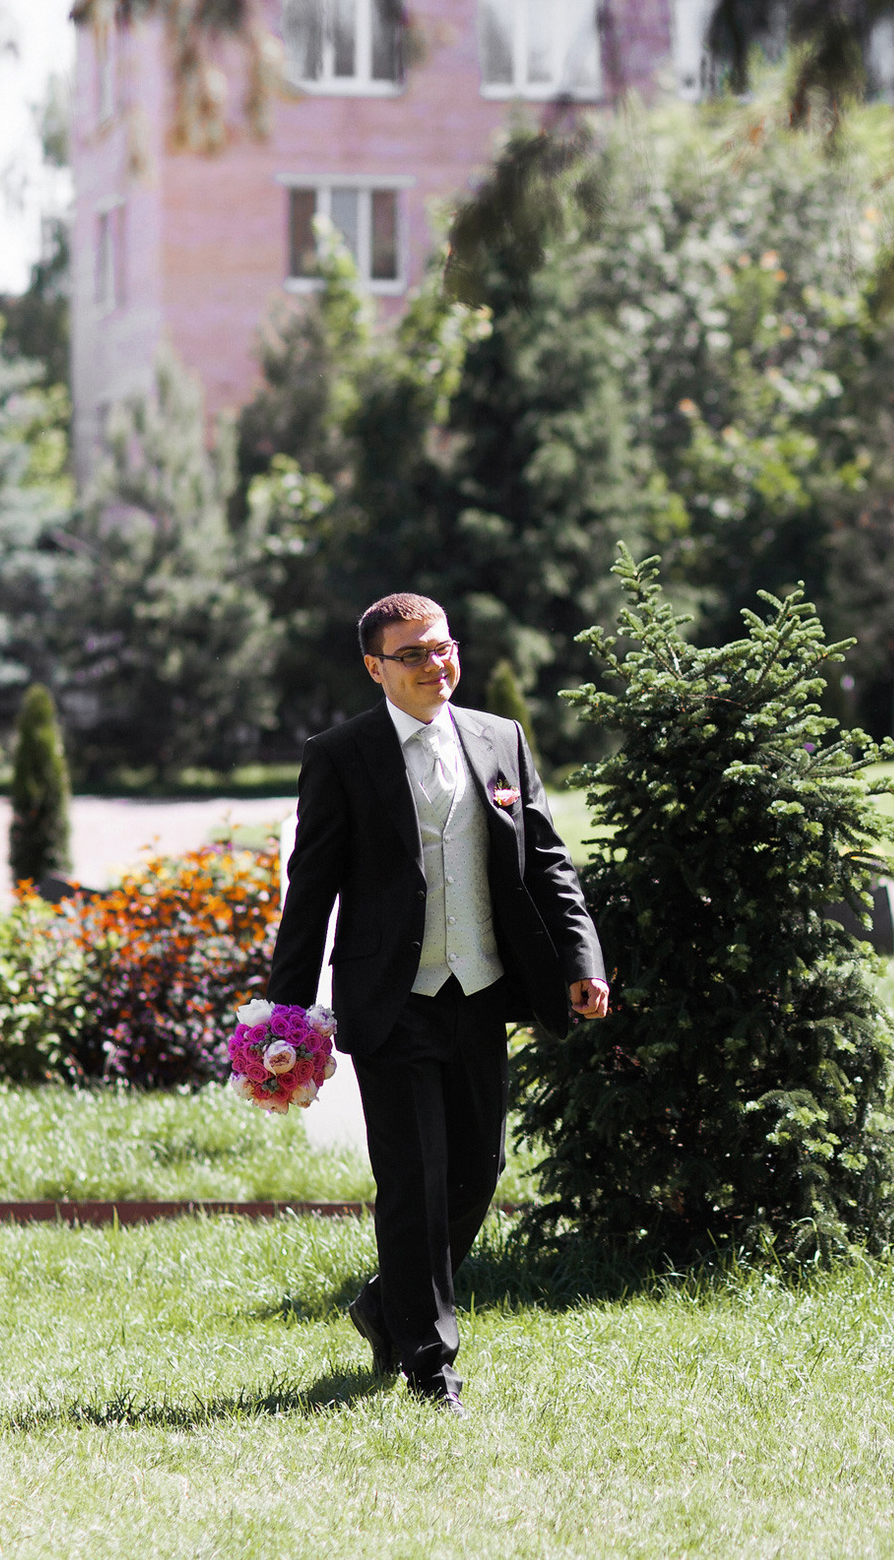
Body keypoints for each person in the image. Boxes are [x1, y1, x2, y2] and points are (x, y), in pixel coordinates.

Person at [268, 592, 609, 1412]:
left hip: (482, 990)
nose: (435, 665)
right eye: (414, 654)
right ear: (375, 667)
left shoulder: (500, 740)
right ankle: (429, 1359)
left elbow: (549, 863)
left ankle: (388, 1301)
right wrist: (284, 1017)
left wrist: (581, 956)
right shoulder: (342, 755)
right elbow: (309, 892)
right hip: (393, 999)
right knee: (414, 1180)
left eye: (444, 648)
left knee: (478, 1171)